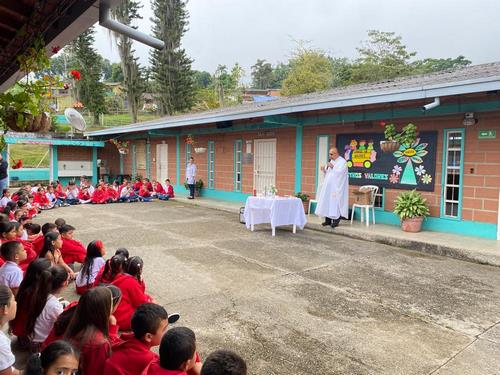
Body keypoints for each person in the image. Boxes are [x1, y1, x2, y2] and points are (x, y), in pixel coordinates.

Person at [65, 286, 120, 375]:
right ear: (103, 309)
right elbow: (97, 371)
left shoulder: (73, 324)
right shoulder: (100, 343)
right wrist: (113, 329)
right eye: (110, 303)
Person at [104, 303, 169, 375]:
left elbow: (112, 339)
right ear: (148, 337)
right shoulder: (150, 359)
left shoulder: (126, 340)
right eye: (164, 330)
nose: (166, 332)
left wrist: (113, 325)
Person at [10, 258, 52, 349]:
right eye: (51, 271)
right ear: (40, 275)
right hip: (28, 333)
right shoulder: (35, 293)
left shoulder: (26, 285)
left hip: (20, 329)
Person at [31, 266, 69, 350]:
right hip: (42, 343)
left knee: (65, 303)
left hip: (33, 337)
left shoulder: (38, 293)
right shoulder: (54, 305)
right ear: (65, 283)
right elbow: (62, 325)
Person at [111, 256, 153, 330]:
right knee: (149, 307)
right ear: (139, 270)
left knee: (148, 297)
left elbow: (140, 293)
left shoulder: (120, 276)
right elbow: (141, 303)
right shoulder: (132, 282)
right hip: (122, 319)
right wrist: (151, 302)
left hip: (114, 315)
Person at [315, 147, 349, 228]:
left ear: (336, 153)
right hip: (329, 187)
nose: (330, 156)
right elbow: (329, 173)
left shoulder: (342, 162)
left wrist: (333, 167)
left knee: (334, 203)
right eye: (329, 154)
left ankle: (336, 220)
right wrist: (324, 170)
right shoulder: (332, 161)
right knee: (327, 202)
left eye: (331, 154)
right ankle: (328, 220)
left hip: (336, 187)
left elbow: (341, 173)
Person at [0, 285, 21, 375]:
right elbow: (7, 373)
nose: (16, 303)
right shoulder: (1, 344)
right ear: (4, 309)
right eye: (13, 300)